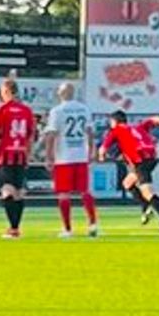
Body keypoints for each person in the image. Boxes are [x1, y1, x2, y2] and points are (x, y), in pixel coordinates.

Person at [98, 110, 159, 231]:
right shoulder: (138, 127)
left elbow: (102, 149)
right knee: (127, 183)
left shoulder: (116, 130)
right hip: (151, 158)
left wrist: (101, 157)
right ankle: (146, 207)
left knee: (147, 192)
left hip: (140, 160)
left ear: (114, 122)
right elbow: (156, 118)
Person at [42, 81, 98, 238]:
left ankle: (67, 229)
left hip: (64, 157)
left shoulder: (57, 111)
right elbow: (90, 131)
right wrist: (92, 150)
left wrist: (48, 156)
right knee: (85, 191)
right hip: (80, 155)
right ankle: (93, 224)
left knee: (63, 194)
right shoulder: (84, 109)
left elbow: (51, 135)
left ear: (61, 93)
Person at [0, 78, 38, 238]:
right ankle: (15, 228)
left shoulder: (2, 110)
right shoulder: (27, 110)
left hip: (6, 155)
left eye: (2, 92)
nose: (1, 95)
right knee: (19, 192)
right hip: (21, 154)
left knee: (7, 191)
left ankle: (13, 228)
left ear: (7, 91)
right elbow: (30, 137)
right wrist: (28, 155)